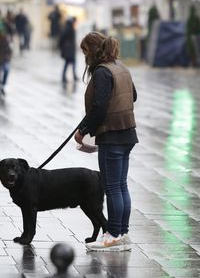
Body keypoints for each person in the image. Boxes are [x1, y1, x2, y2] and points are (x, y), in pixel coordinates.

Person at [74, 32, 138, 252]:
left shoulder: (102, 72)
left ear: (92, 50)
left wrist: (82, 131)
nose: (85, 57)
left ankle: (112, 235)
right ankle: (123, 233)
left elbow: (99, 108)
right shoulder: (121, 67)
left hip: (112, 133)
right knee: (121, 185)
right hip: (128, 132)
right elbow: (134, 95)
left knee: (112, 187)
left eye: (85, 51)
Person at [59, 17, 78, 83]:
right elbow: (63, 39)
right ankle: (68, 77)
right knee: (70, 63)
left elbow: (61, 40)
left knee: (69, 63)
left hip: (68, 50)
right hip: (69, 50)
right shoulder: (70, 29)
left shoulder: (65, 28)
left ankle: (67, 76)